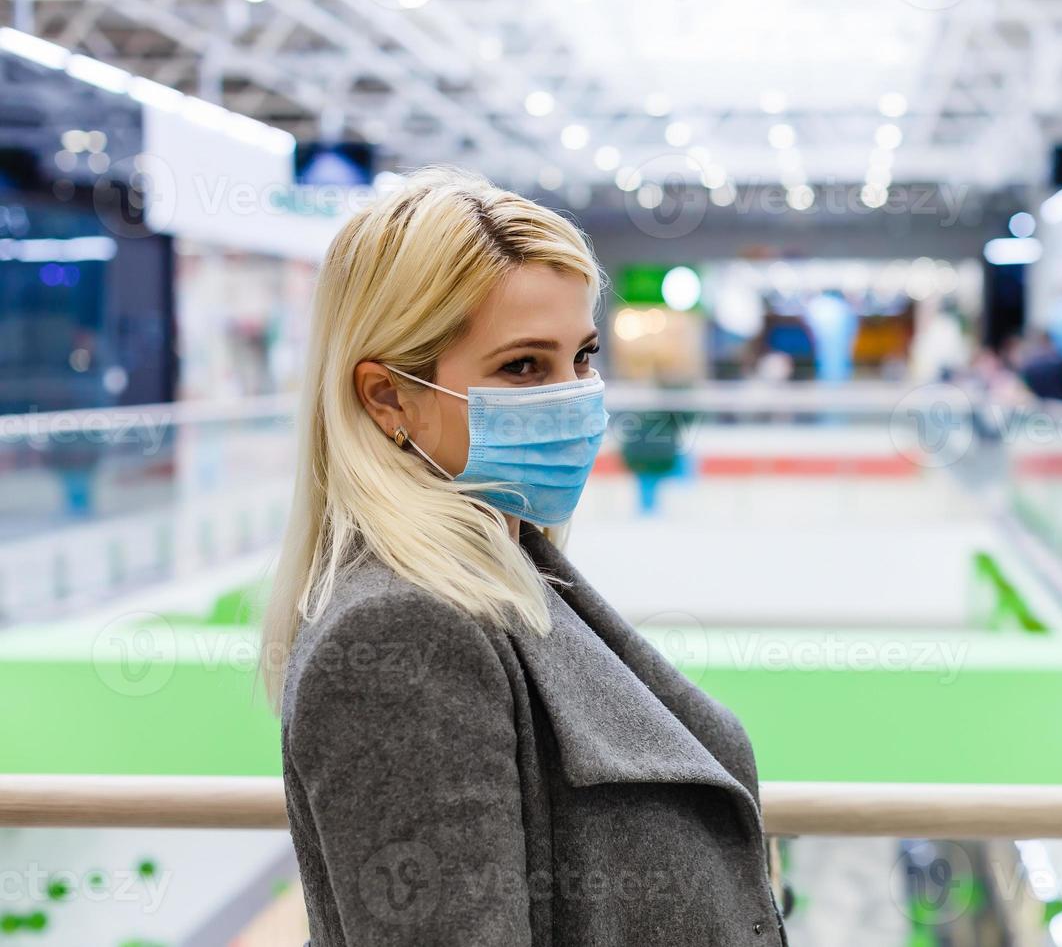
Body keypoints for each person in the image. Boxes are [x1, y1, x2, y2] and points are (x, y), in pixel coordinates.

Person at [259, 167, 786, 946]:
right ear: (387, 398)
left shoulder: (515, 570)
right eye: (522, 367)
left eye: (582, 356)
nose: (575, 396)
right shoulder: (400, 638)